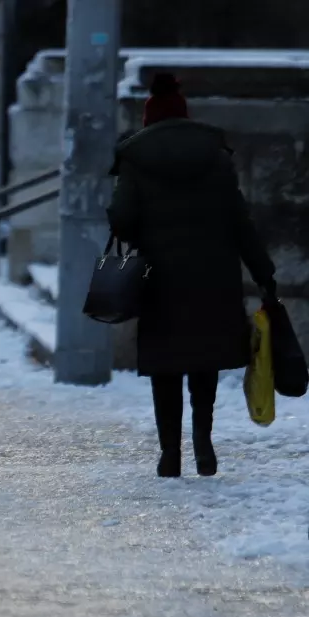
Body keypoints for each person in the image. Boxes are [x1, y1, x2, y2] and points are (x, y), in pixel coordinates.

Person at [108, 73, 277, 478]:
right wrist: (264, 274)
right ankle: (203, 441)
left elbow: (124, 222)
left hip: (159, 278)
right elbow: (240, 222)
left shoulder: (135, 158)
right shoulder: (217, 157)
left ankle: (169, 453)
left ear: (150, 119)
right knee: (204, 360)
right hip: (213, 276)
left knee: (166, 363)